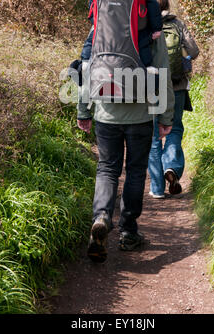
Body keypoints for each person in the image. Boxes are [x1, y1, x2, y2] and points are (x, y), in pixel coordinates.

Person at [77, 32, 175, 263]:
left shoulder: (100, 24)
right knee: (135, 171)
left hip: (105, 113)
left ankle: (101, 217)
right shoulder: (152, 28)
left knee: (107, 169)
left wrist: (84, 109)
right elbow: (163, 73)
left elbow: (86, 68)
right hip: (140, 114)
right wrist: (166, 116)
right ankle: (128, 233)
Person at [147, 0, 199, 199]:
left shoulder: (145, 24)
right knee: (174, 129)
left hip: (150, 87)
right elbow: (193, 51)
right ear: (167, 3)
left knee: (153, 137)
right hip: (176, 86)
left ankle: (157, 188)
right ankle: (171, 167)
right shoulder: (177, 24)